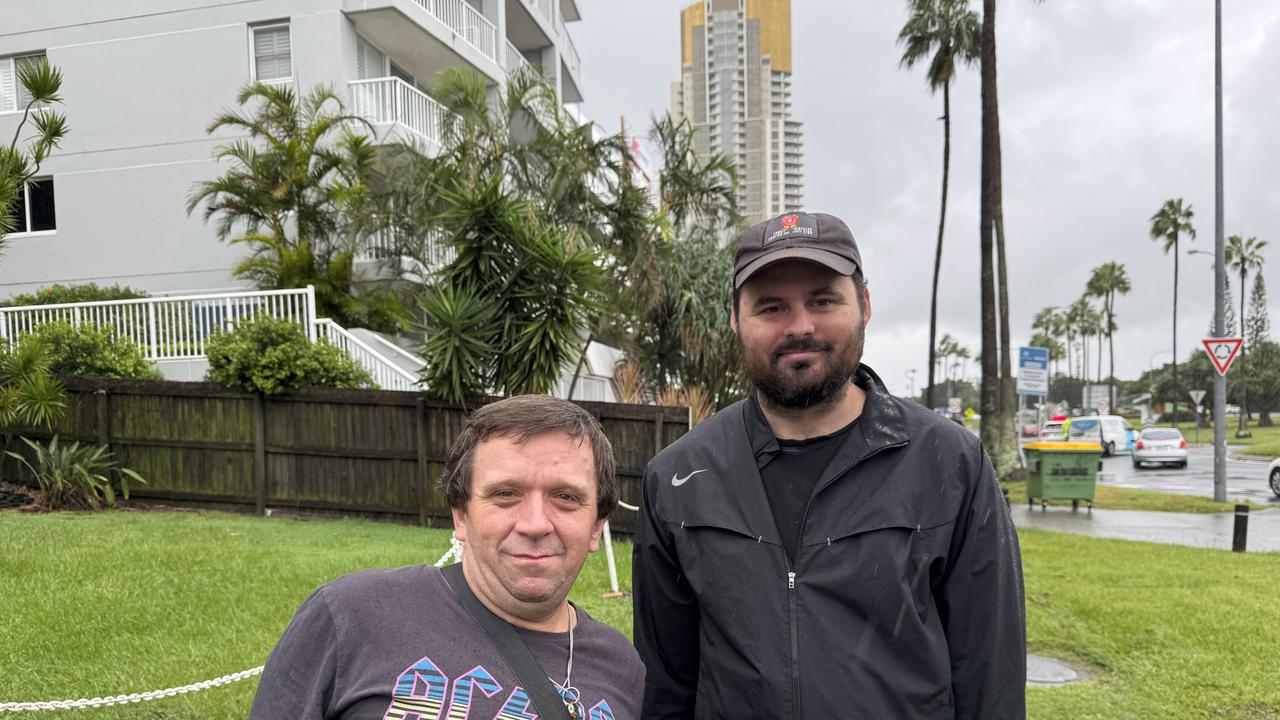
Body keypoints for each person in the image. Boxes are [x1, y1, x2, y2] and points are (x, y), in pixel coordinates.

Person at [632, 212, 1026, 719]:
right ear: (735, 319)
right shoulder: (678, 476)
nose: (800, 327)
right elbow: (666, 683)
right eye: (771, 307)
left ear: (864, 305)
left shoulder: (950, 462)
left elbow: (988, 673)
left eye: (822, 300)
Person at [251, 395, 645, 719]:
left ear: (596, 526)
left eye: (566, 497)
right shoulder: (351, 616)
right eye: (505, 493)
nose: (535, 524)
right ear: (461, 514)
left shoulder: (625, 671)